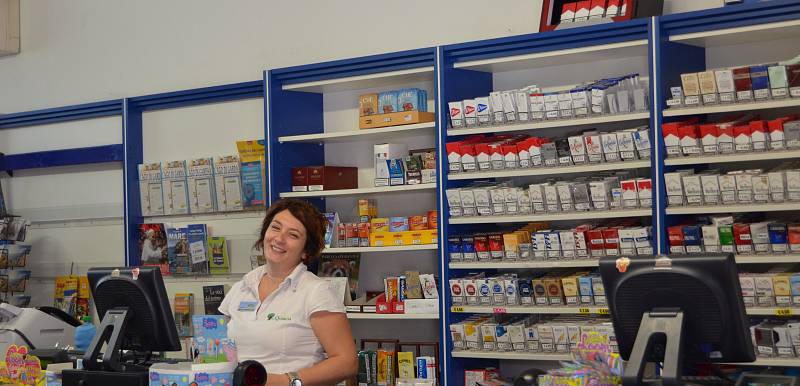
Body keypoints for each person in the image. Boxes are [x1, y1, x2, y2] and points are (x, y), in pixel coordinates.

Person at [219, 198, 358, 386]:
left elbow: (346, 363)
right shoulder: (241, 287)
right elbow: (220, 346)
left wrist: (287, 381)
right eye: (275, 228)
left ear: (305, 251)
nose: (279, 239)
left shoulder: (316, 292)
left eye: (293, 235)